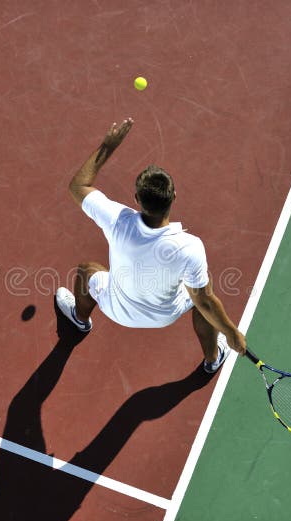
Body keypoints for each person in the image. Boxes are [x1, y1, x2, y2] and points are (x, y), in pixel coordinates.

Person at [55, 118, 247, 373]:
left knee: (87, 271)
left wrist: (109, 145)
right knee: (202, 300)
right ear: (174, 197)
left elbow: (78, 186)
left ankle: (79, 320)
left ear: (137, 199)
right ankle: (213, 359)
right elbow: (206, 303)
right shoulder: (190, 247)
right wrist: (231, 333)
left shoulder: (117, 220)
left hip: (117, 310)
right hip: (165, 315)